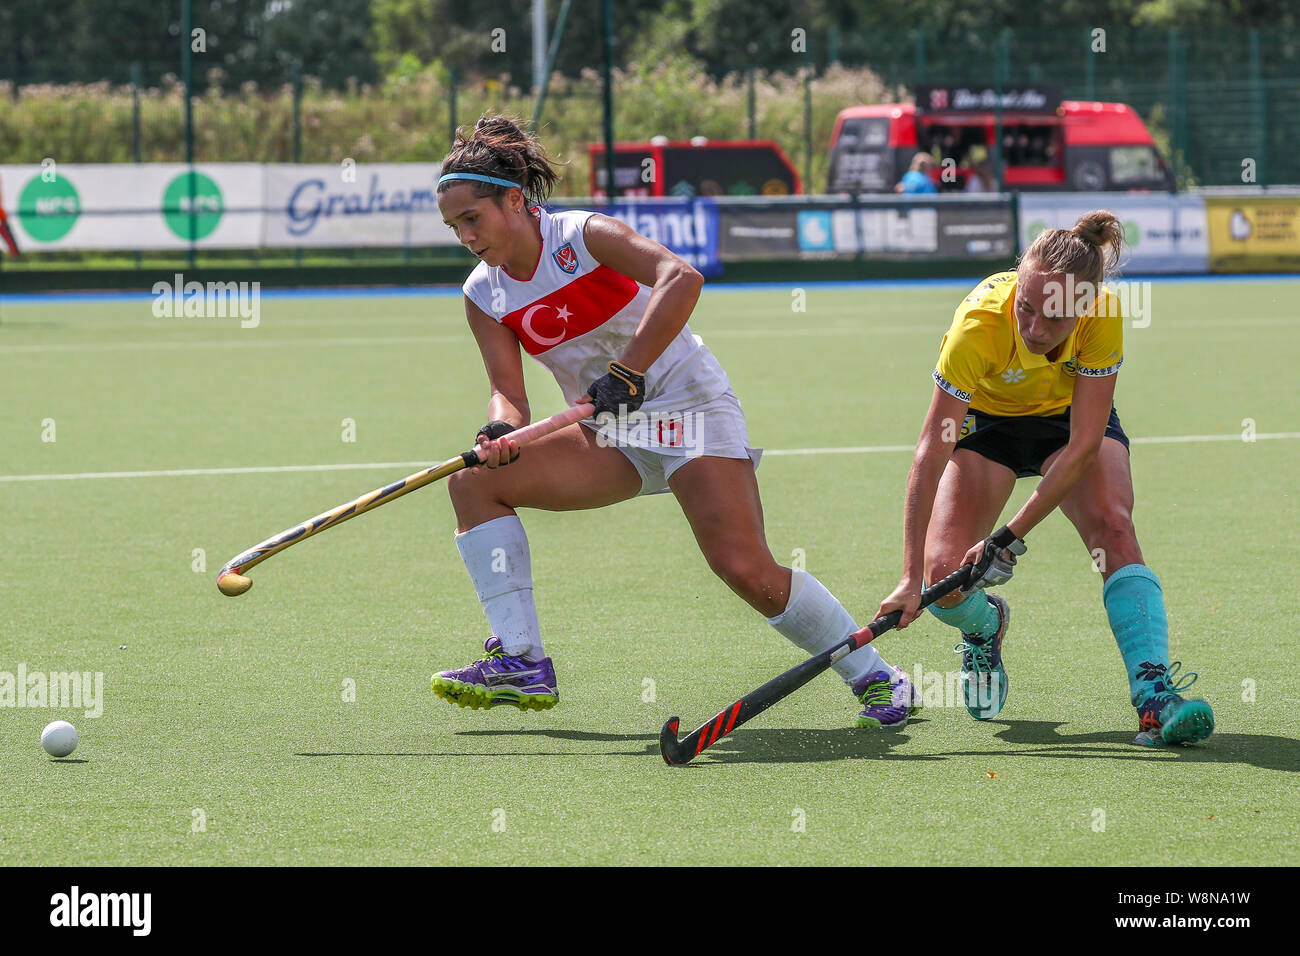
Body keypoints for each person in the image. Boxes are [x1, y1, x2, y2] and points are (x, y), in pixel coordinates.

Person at [431, 115, 917, 728]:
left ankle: (873, 673)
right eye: (454, 227)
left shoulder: (582, 236)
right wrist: (498, 430)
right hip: (609, 431)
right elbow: (508, 394)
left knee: (746, 570)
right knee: (475, 481)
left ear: (514, 199)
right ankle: (522, 660)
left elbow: (680, 277)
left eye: (472, 218)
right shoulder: (483, 294)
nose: (465, 236)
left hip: (689, 407)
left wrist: (629, 371)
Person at [876, 210, 1215, 747]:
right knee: (943, 576)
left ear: (1083, 307)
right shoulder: (978, 326)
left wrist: (1007, 538)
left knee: (1115, 527)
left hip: (1068, 424)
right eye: (1026, 309)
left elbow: (1082, 447)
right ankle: (984, 627)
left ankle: (1155, 696)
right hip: (989, 427)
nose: (1033, 329)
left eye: (1053, 318)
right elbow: (930, 451)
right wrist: (908, 576)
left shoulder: (1102, 314)